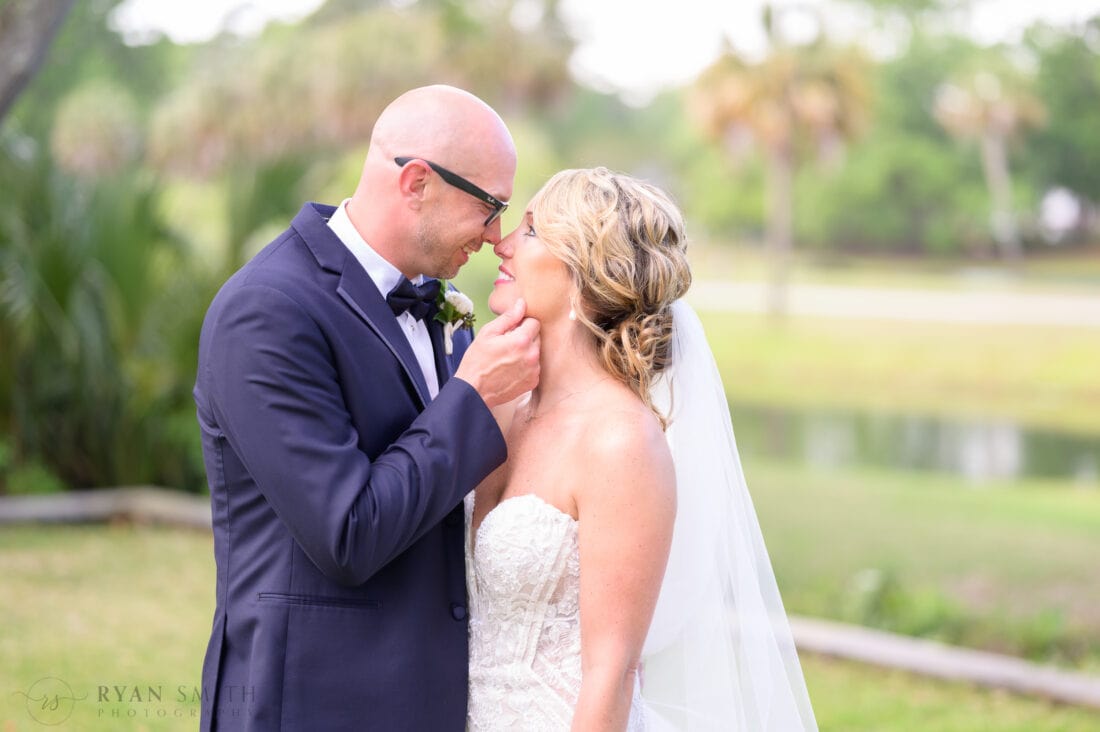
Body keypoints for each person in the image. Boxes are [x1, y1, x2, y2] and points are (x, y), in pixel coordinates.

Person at [192, 85, 539, 731]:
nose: (496, 235)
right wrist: (474, 397)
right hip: (310, 702)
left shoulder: (446, 306)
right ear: (416, 182)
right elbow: (348, 533)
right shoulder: (267, 312)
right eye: (489, 206)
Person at [464, 168, 817, 730]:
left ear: (585, 270)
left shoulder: (620, 441)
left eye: (530, 231)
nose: (501, 243)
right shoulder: (497, 404)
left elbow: (613, 670)